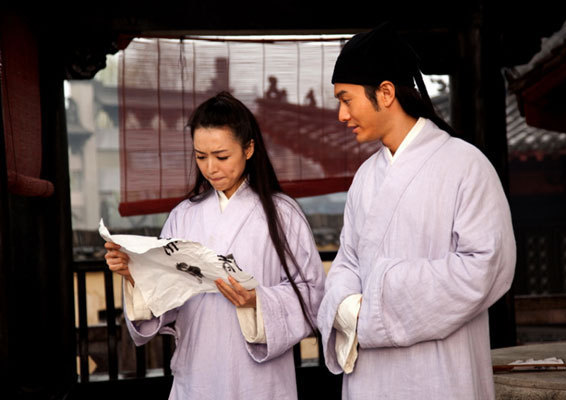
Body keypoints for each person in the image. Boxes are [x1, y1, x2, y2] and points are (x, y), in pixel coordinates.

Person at [317, 22, 516, 399]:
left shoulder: (465, 165)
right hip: (369, 374)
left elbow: (485, 267)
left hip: (440, 373)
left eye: (346, 99)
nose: (342, 116)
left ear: (386, 93)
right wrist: (346, 307)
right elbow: (347, 261)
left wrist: (375, 302)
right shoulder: (365, 177)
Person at [105, 91, 325, 399]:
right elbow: (167, 295)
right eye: (200, 156)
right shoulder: (184, 215)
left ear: (249, 148)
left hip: (259, 378)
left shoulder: (283, 214)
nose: (211, 168)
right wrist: (135, 274)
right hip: (198, 368)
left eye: (222, 156)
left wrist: (257, 301)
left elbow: (313, 293)